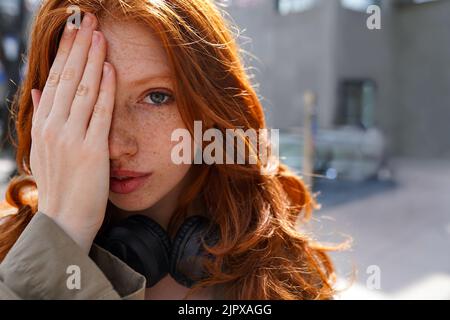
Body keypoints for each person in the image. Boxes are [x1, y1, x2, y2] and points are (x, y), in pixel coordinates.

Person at [0, 0, 338, 300]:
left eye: (156, 97)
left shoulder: (282, 275)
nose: (117, 147)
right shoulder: (8, 261)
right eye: (83, 100)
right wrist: (58, 238)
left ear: (209, 103)